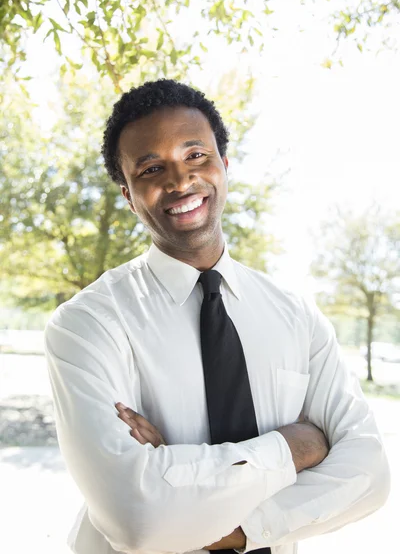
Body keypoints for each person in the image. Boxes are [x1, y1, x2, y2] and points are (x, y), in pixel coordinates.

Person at [44, 79, 390, 554]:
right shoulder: (86, 325)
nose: (180, 181)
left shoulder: (296, 316)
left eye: (196, 156)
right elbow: (133, 516)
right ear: (127, 194)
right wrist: (293, 448)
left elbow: (368, 472)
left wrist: (196, 500)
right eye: (151, 168)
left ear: (224, 166)